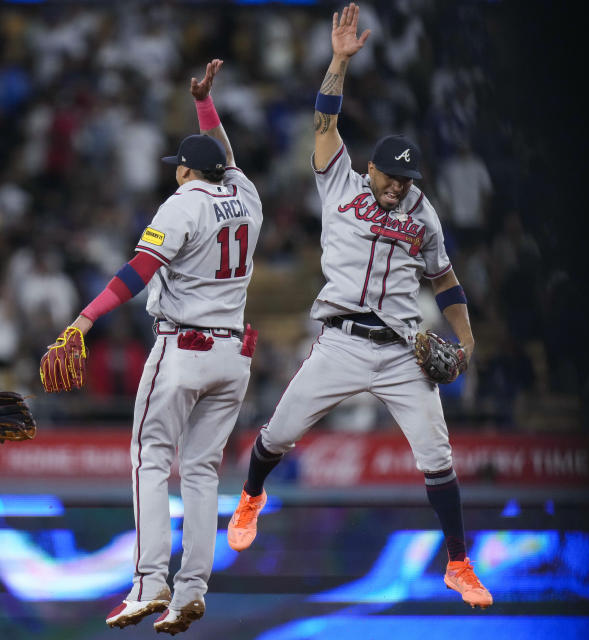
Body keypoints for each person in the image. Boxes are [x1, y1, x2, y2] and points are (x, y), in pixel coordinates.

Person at [226, 3, 493, 609]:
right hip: (342, 340)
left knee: (438, 457)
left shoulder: (421, 211)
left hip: (402, 349)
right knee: (278, 434)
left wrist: (467, 339)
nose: (399, 186)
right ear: (371, 168)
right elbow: (325, 121)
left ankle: (457, 563)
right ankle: (250, 498)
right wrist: (339, 62)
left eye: (407, 179)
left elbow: (446, 281)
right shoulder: (340, 180)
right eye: (392, 176)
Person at [42, 59, 263, 634]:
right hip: (234, 354)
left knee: (149, 459)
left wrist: (86, 321)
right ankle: (193, 588)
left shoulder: (184, 203)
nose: (176, 173)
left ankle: (149, 581)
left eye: (181, 166)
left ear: (191, 171)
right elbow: (228, 158)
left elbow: (140, 268)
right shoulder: (247, 197)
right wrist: (205, 106)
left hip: (183, 347)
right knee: (203, 473)